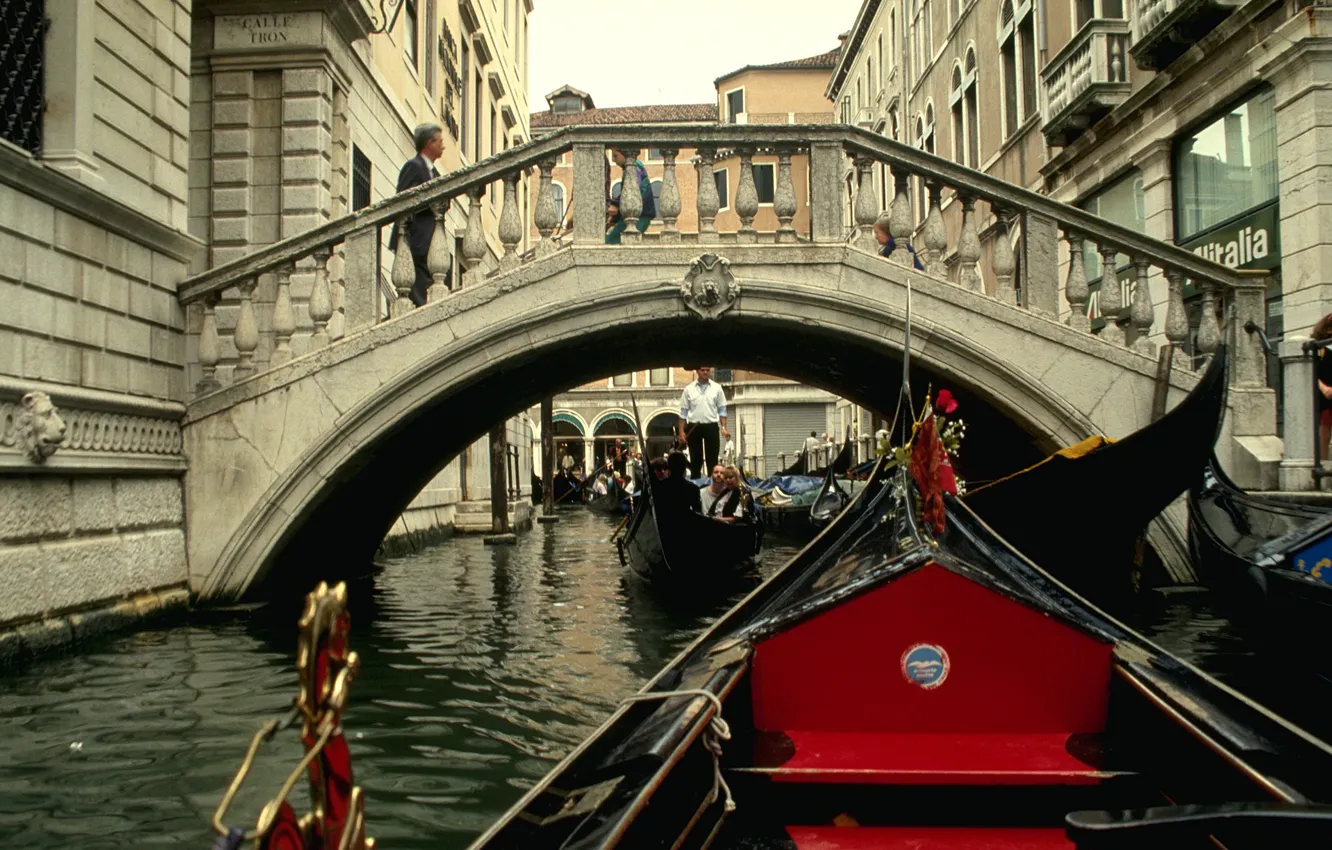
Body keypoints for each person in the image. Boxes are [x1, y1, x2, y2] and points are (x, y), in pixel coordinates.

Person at [388, 124, 450, 306]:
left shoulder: (435, 173)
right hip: (416, 242)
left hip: (431, 244)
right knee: (418, 297)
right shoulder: (413, 167)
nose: (443, 146)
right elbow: (403, 201)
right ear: (429, 143)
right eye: (440, 142)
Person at [678, 367, 729, 479]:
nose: (705, 372)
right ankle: (696, 485)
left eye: (707, 370)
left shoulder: (717, 388)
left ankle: (713, 483)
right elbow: (683, 413)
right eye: (702, 370)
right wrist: (681, 432)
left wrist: (723, 427)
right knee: (696, 459)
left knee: (712, 459)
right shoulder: (688, 389)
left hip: (711, 426)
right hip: (694, 426)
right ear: (697, 371)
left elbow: (722, 410)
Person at [606, 149, 655, 244]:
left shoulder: (635, 167)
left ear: (625, 154)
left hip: (641, 215)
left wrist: (616, 205)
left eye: (616, 156)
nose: (613, 160)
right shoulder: (633, 167)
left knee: (612, 240)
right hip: (640, 214)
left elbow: (633, 191)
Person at [1315, 313, 1332, 459]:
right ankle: (1323, 466)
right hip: (1325, 396)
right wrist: (1323, 388)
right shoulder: (1319, 348)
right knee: (1324, 433)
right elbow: (1311, 371)